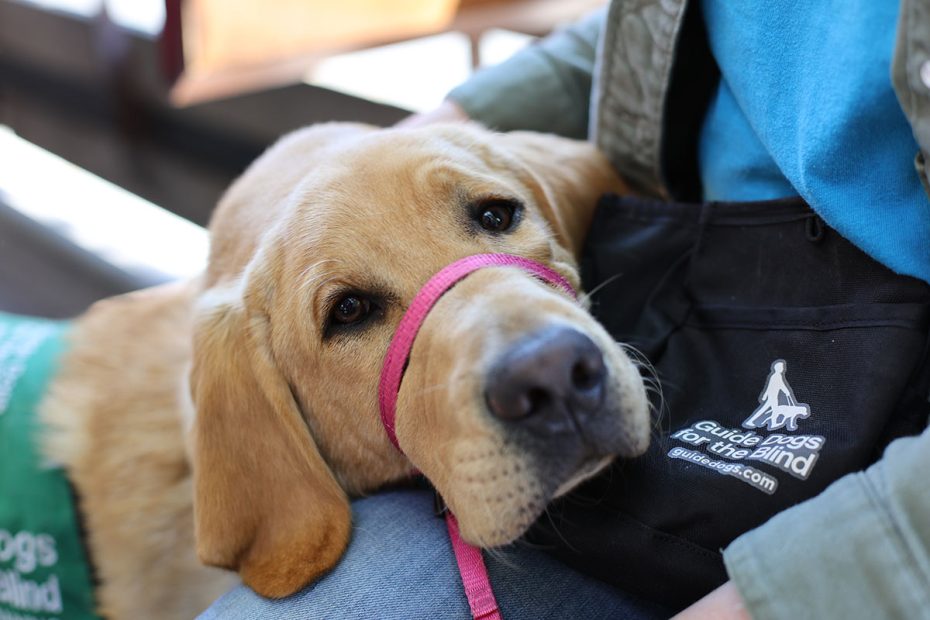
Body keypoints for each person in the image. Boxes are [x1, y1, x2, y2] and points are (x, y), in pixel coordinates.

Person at [201, 1, 930, 617]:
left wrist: (781, 596)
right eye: (353, 309)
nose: (536, 368)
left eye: (493, 216)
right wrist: (429, 143)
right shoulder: (246, 353)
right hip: (691, 300)